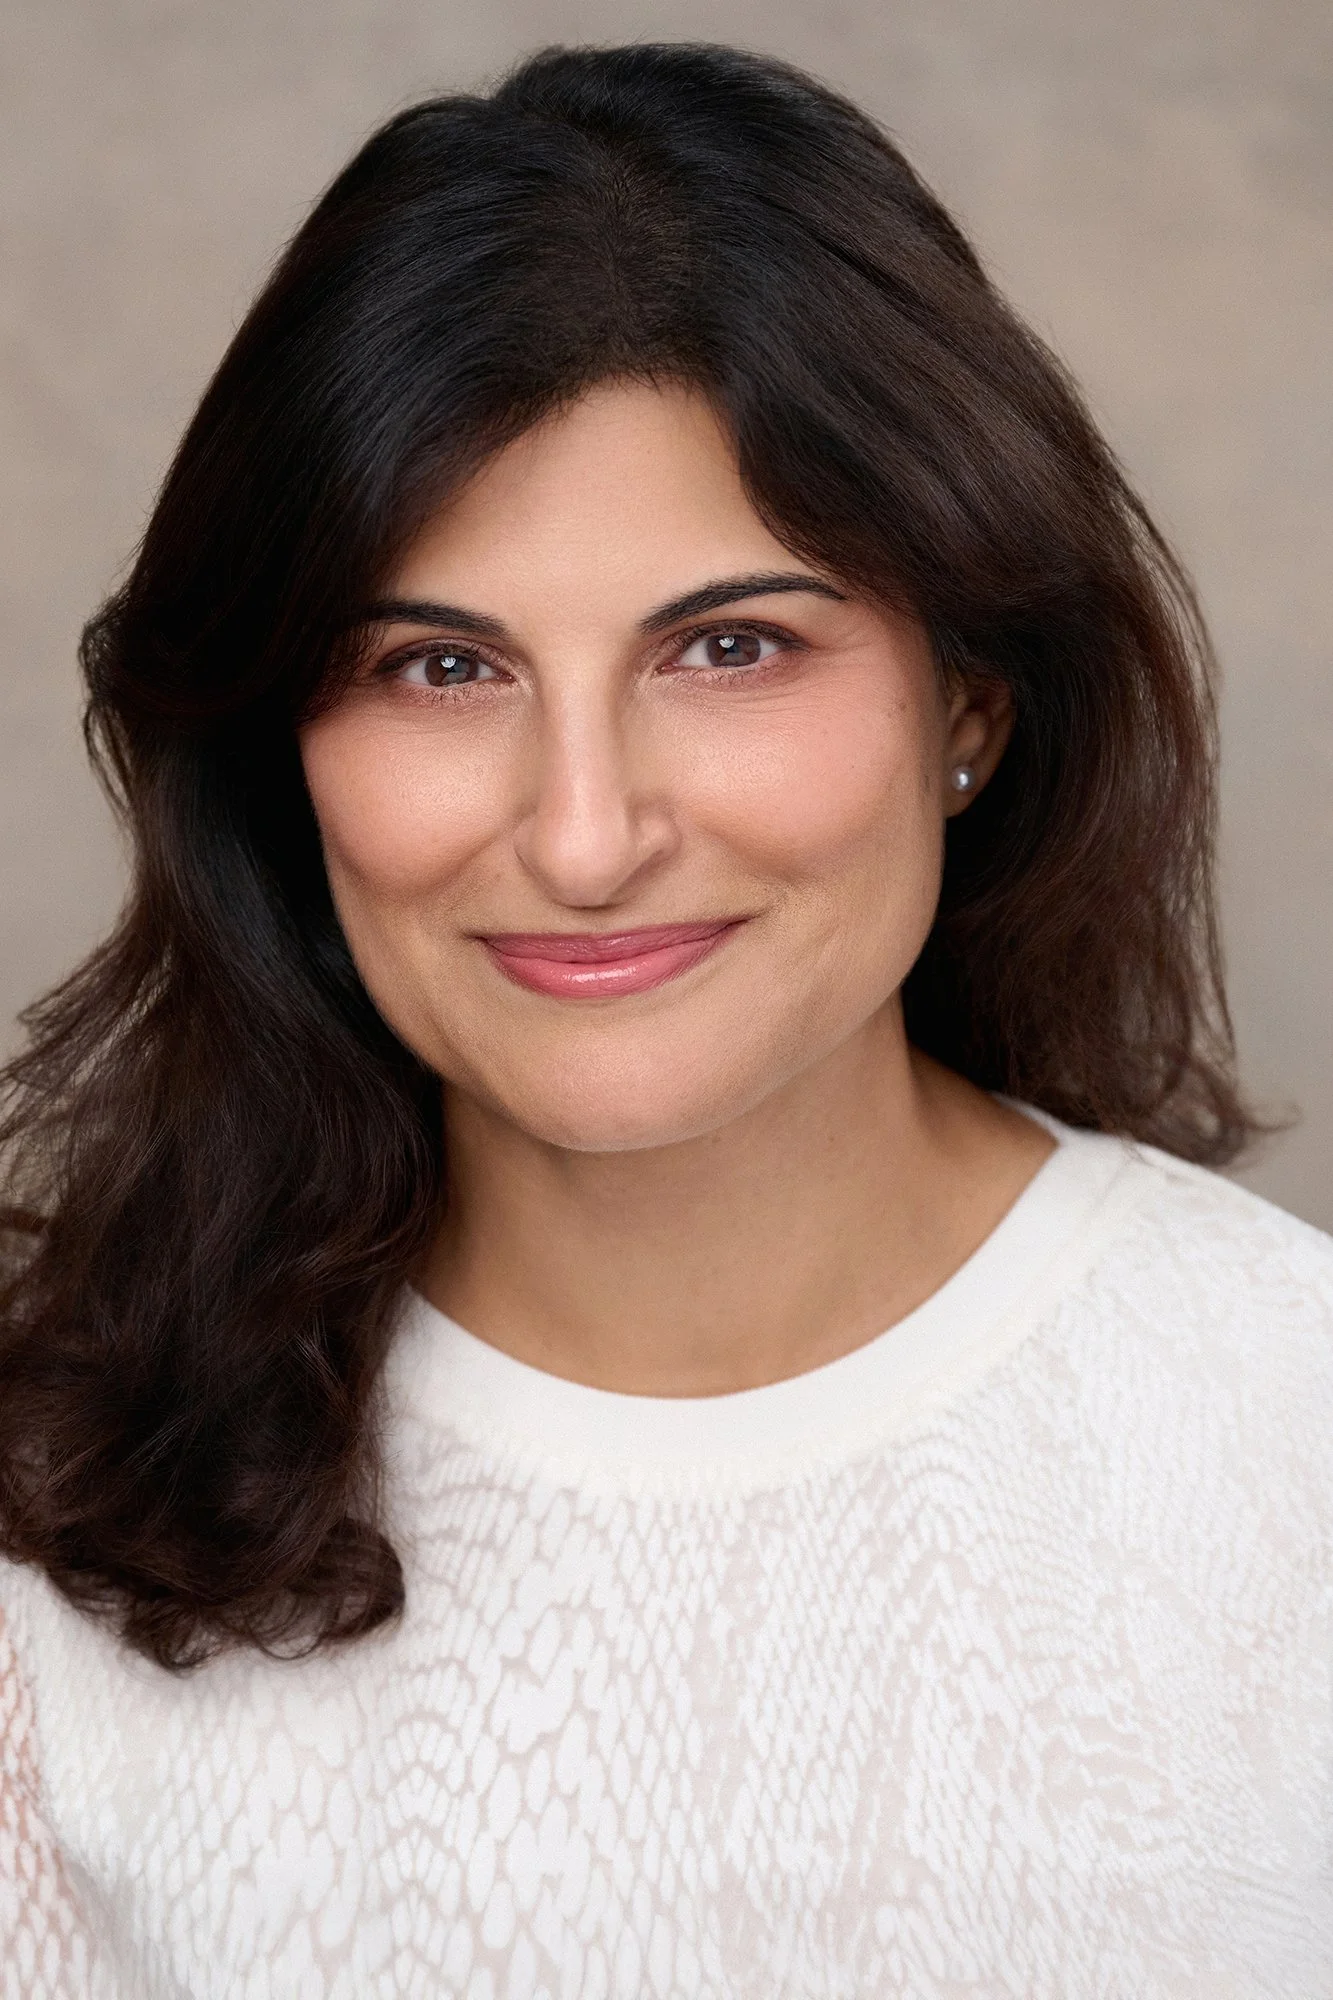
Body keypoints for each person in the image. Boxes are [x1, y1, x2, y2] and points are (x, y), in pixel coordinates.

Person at [0, 38, 1329, 2000]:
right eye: (439, 664)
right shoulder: (47, 1539)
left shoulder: (1294, 1442)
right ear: (279, 746)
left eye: (732, 646)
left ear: (970, 700)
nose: (587, 830)